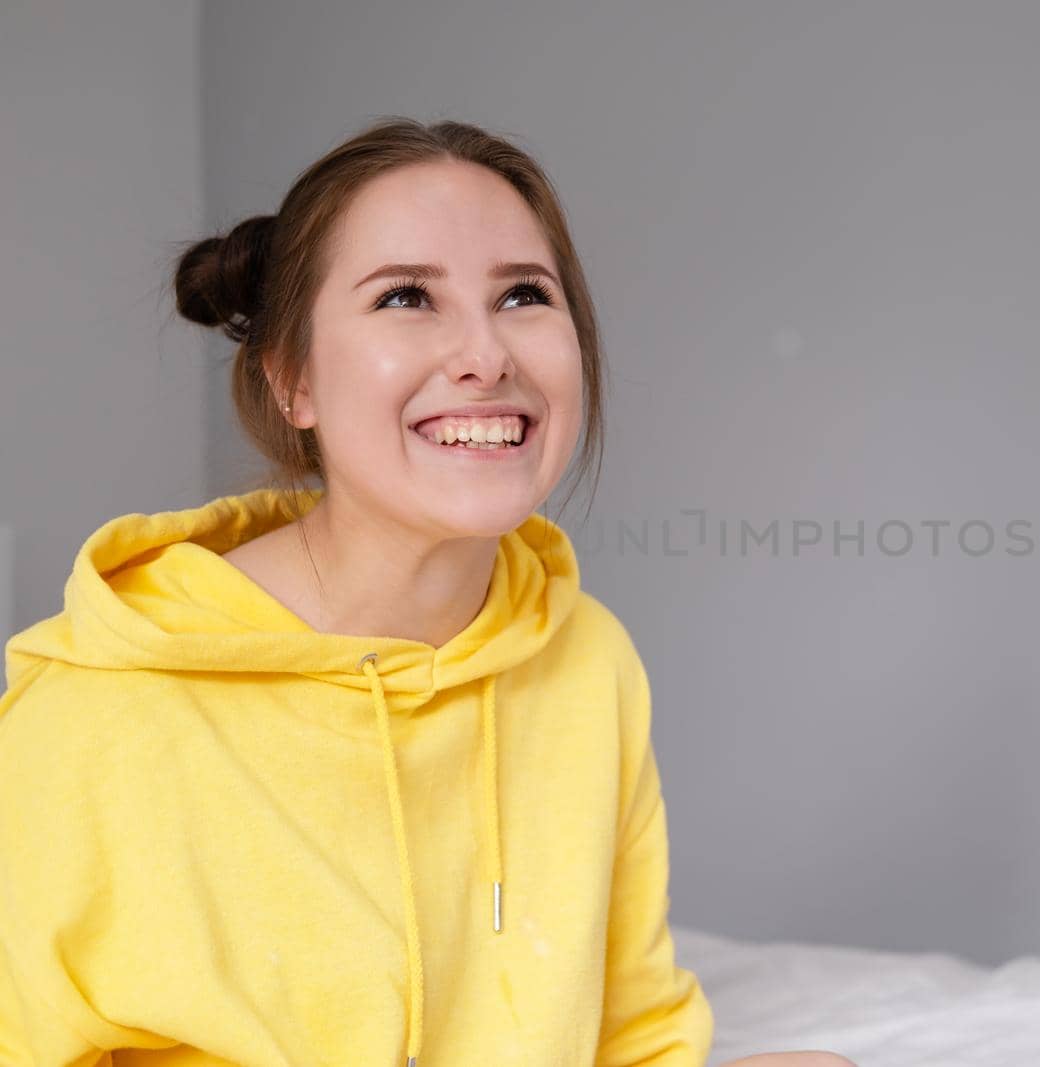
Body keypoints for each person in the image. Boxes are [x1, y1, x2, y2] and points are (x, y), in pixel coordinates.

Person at [0, 116, 856, 1067]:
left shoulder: (586, 661)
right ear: (294, 382)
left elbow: (630, 1031)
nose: (486, 356)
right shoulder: (94, 714)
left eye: (525, 295)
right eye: (407, 296)